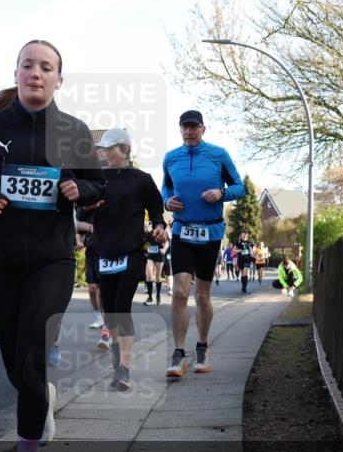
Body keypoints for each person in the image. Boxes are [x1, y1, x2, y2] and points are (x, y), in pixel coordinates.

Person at [0, 40, 104, 452]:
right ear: (16, 73)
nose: (36, 73)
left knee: (32, 355)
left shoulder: (73, 130)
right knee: (17, 362)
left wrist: (81, 189)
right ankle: (42, 400)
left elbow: (99, 185)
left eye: (47, 67)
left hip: (51, 261)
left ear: (59, 79)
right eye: (28, 65)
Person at [162, 110, 244, 378]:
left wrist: (222, 192)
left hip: (210, 232)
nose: (189, 132)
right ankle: (178, 353)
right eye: (184, 127)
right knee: (180, 292)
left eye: (193, 127)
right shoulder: (171, 157)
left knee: (202, 295)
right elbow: (165, 187)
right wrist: (166, 202)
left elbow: (240, 187)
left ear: (203, 129)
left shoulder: (218, 155)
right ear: (180, 129)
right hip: (182, 231)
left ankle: (202, 347)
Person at [89, 128, 166, 390]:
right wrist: (88, 207)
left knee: (122, 308)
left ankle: (124, 369)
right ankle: (116, 363)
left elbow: (157, 207)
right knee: (110, 313)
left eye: (110, 148)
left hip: (131, 252)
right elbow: (81, 207)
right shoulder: (99, 178)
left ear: (125, 149)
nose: (106, 152)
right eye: (105, 148)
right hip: (104, 252)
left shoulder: (141, 179)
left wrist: (158, 225)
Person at [77, 206, 112, 349]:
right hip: (91, 250)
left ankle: (107, 328)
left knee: (102, 289)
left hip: (107, 250)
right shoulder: (87, 207)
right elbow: (78, 225)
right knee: (92, 288)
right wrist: (79, 240)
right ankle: (99, 316)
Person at [143, 225, 168, 306]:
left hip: (159, 256)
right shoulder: (149, 233)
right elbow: (144, 241)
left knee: (158, 277)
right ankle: (150, 297)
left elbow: (167, 242)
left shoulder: (162, 232)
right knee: (149, 275)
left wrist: (164, 249)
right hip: (150, 256)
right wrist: (145, 231)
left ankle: (158, 296)